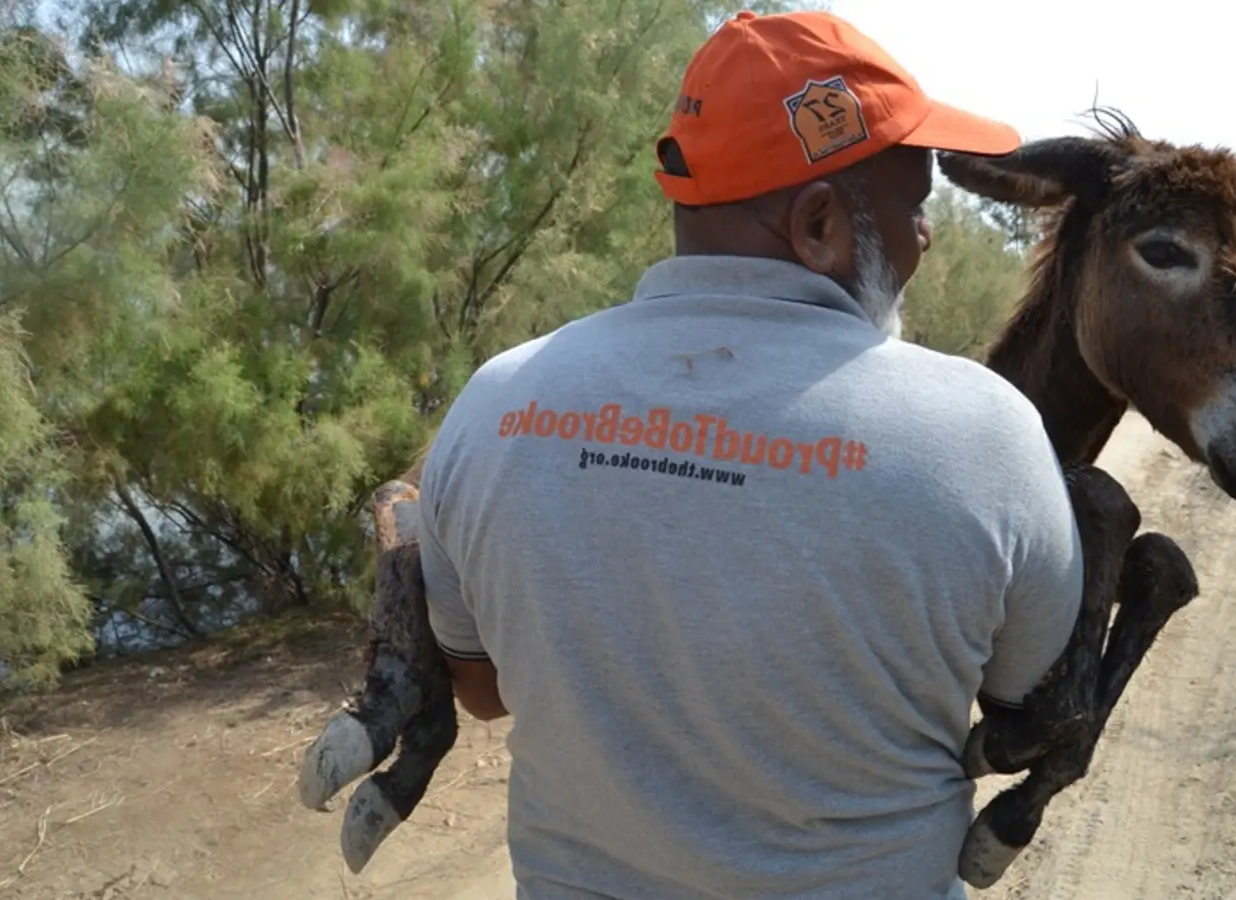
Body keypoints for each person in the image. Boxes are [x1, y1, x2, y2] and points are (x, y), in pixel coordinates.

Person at [418, 10, 1084, 899]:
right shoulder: (983, 434)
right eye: (914, 206)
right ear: (817, 226)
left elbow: (481, 690)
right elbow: (1025, 698)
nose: (925, 236)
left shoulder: (498, 402)